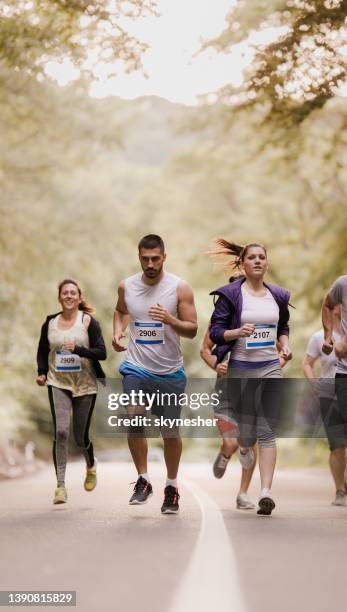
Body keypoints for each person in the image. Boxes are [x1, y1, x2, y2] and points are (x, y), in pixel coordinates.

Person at [112, 234, 197, 514]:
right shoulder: (127, 286)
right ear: (139, 257)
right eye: (145, 259)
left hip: (169, 372)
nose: (150, 264)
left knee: (169, 431)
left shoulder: (179, 288)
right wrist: (117, 330)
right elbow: (120, 310)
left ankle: (171, 487)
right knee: (134, 415)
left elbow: (192, 329)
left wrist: (171, 319)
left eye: (155, 259)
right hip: (136, 366)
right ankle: (143, 478)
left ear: (164, 257)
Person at [209, 239, 292, 515]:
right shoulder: (231, 295)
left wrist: (285, 344)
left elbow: (282, 326)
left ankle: (265, 492)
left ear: (266, 263)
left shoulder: (277, 296)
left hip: (270, 368)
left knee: (267, 430)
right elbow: (215, 333)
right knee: (245, 436)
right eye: (252, 257)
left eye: (261, 257)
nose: (257, 261)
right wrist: (236, 333)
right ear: (243, 264)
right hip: (240, 370)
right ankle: (238, 450)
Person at [36, 279, 107, 504]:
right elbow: (42, 350)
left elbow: (101, 352)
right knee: (61, 432)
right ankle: (60, 486)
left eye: (72, 293)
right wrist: (41, 372)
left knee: (80, 436)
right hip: (58, 381)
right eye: (64, 293)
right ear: (60, 297)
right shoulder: (50, 322)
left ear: (79, 297)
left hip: (85, 383)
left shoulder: (88, 322)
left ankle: (90, 464)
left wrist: (78, 349)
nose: (68, 296)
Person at [200, 327, 257, 510]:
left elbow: (281, 349)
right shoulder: (222, 317)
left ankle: (243, 494)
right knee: (231, 443)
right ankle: (226, 453)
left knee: (248, 442)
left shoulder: (264, 314)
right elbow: (205, 350)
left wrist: (278, 361)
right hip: (224, 393)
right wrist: (216, 364)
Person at [303, 305, 346, 506]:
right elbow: (307, 363)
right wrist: (314, 384)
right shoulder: (319, 337)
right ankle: (340, 491)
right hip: (329, 396)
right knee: (337, 446)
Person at [321, 276, 347, 503]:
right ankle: (340, 489)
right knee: (338, 440)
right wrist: (329, 336)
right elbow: (327, 305)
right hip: (343, 374)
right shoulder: (342, 284)